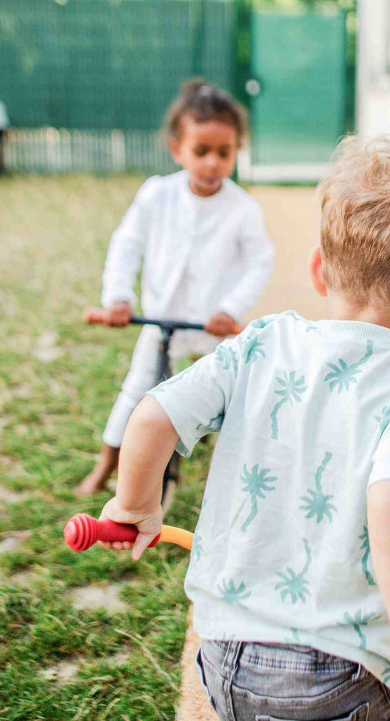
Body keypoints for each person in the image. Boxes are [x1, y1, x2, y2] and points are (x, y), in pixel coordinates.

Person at [99, 136, 390, 719]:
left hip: (224, 651)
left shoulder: (257, 344)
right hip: (340, 672)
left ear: (320, 271)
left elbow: (152, 415)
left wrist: (135, 506)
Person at [76, 79, 274, 497]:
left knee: (233, 394)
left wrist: (230, 308)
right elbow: (126, 245)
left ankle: (236, 472)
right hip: (161, 317)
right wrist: (118, 297)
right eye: (201, 152)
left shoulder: (242, 209)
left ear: (237, 150)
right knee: (135, 392)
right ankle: (106, 465)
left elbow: (260, 262)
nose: (212, 164)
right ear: (176, 149)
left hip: (210, 324)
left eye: (224, 153)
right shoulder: (157, 195)